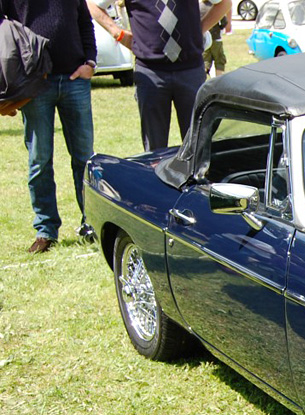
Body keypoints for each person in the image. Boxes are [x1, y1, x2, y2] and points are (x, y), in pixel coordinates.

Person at [0, 0, 96, 254]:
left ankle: (92, 222)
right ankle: (45, 230)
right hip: (34, 84)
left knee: (85, 158)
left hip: (75, 79)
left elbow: (85, 21)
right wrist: (11, 84)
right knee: (39, 160)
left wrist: (91, 62)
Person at [91, 0, 230, 151]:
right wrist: (118, 33)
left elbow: (224, 3)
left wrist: (200, 28)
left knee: (197, 147)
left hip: (190, 70)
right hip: (151, 73)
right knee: (154, 150)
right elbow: (93, 5)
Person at [203, 11, 231, 77]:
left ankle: (203, 79)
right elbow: (224, 21)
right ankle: (218, 78)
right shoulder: (216, 7)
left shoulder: (200, 7)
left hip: (205, 39)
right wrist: (219, 28)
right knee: (219, 60)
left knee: (206, 60)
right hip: (216, 38)